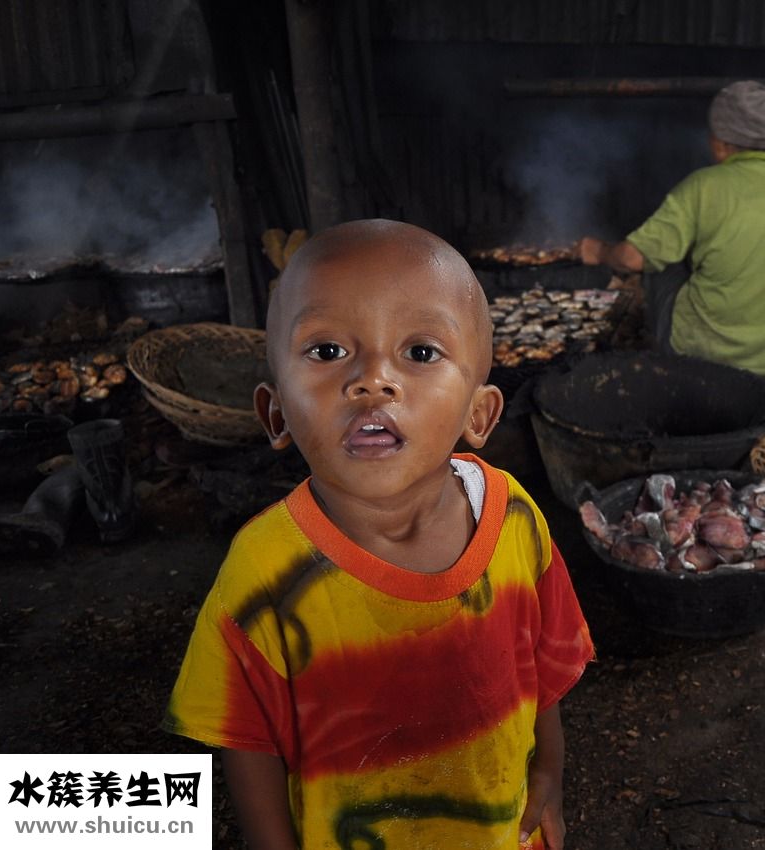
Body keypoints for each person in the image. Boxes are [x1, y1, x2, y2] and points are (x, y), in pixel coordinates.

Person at [163, 220, 594, 850]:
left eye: (420, 353)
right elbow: (244, 740)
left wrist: (549, 773)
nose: (372, 380)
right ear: (275, 413)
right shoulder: (265, 569)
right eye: (327, 351)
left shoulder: (511, 517)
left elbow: (542, 664)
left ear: (479, 413)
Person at [579, 80, 765, 379]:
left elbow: (632, 258)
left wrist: (599, 251)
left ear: (722, 144)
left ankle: (681, 369)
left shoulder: (703, 185)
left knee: (661, 260)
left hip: (711, 357)